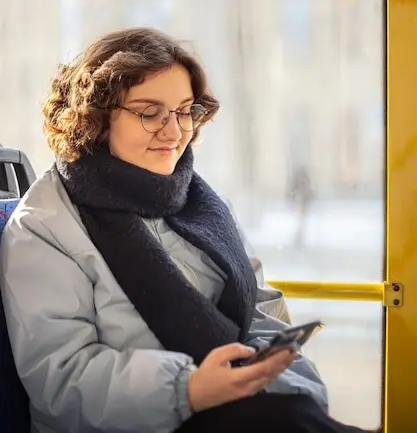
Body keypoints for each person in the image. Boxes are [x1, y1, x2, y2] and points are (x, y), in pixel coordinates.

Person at [0, 28, 369, 433]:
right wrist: (188, 389)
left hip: (242, 408)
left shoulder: (203, 203)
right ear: (96, 118)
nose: (174, 132)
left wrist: (286, 385)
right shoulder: (44, 226)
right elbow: (63, 380)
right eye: (149, 112)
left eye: (184, 111)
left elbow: (260, 314)